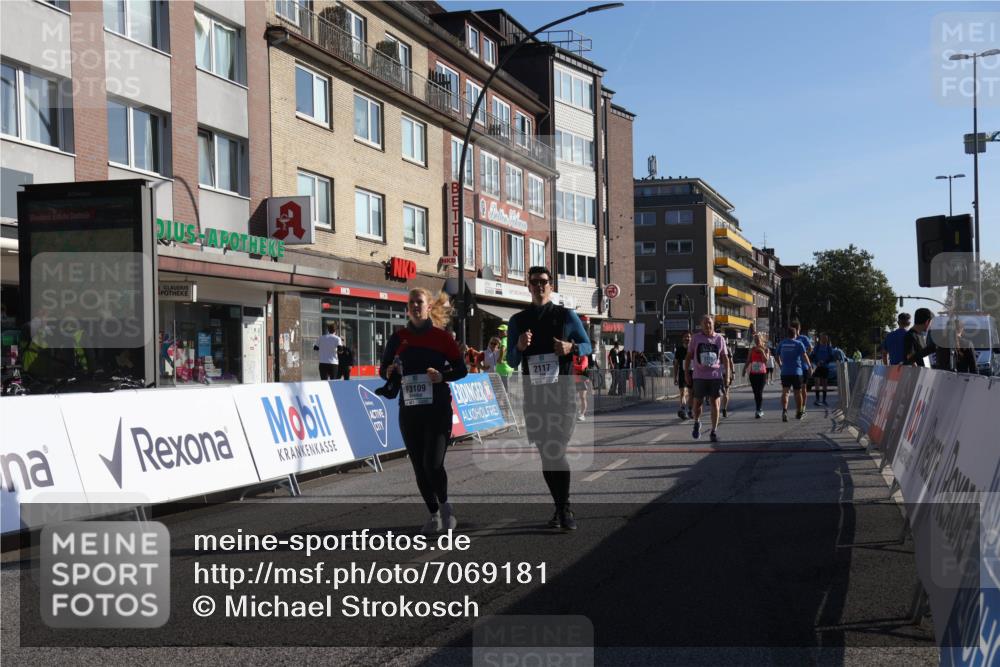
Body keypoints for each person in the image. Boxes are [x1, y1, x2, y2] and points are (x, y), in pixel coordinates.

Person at [506, 266, 592, 531]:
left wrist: (572, 347)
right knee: (546, 455)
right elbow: (510, 360)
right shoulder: (518, 321)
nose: (539, 286)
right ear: (528, 286)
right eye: (534, 282)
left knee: (556, 449)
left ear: (551, 286)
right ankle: (559, 507)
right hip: (535, 396)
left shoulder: (566, 316)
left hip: (562, 395)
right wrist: (519, 347)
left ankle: (564, 508)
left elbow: (587, 344)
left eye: (544, 282)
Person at [379, 289, 467, 534]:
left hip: (437, 409)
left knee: (433, 464)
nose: (415, 306)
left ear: (429, 307)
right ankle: (433, 514)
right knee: (419, 466)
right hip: (409, 410)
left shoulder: (442, 338)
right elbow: (384, 367)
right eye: (411, 303)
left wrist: (442, 376)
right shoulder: (398, 338)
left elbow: (461, 370)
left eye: (420, 302)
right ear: (407, 308)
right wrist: (388, 372)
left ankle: (446, 508)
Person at [685, 314, 730, 442]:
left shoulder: (719, 339)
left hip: (715, 376)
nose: (707, 325)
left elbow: (725, 358)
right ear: (701, 325)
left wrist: (728, 376)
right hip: (699, 376)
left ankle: (714, 431)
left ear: (713, 324)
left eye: (709, 322)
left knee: (715, 404)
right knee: (697, 403)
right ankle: (697, 421)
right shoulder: (696, 338)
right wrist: (687, 374)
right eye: (705, 323)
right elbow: (688, 357)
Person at [776, 325, 812, 421]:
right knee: (797, 393)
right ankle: (799, 412)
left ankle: (784, 411)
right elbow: (805, 356)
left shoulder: (782, 343)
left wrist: (780, 365)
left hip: (785, 372)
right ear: (795, 334)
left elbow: (776, 355)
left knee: (785, 392)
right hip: (797, 372)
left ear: (787, 334)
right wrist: (809, 367)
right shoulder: (799, 344)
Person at [742, 333, 771, 418]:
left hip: (762, 373)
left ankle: (759, 409)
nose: (756, 341)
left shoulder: (766, 349)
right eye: (755, 340)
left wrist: (762, 352)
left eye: (758, 339)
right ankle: (758, 408)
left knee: (759, 392)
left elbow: (766, 361)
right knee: (755, 392)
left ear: (762, 340)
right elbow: (748, 360)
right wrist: (744, 370)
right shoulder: (752, 349)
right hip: (753, 373)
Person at [673, 332, 693, 419]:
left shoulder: (693, 349)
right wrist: (675, 377)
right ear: (682, 339)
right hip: (682, 373)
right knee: (682, 393)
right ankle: (682, 409)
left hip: (692, 373)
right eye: (685, 337)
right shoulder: (679, 350)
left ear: (691, 338)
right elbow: (676, 364)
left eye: (689, 337)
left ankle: (690, 410)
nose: (687, 338)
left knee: (691, 393)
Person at [811, 333, 835, 406]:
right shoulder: (817, 347)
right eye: (823, 338)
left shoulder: (828, 347)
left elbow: (831, 357)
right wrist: (816, 362)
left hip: (825, 367)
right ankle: (817, 399)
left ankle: (824, 400)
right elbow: (812, 356)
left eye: (826, 338)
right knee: (817, 383)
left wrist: (824, 361)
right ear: (821, 339)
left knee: (824, 384)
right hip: (818, 367)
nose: (825, 339)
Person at [494, 325, 514, 390]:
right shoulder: (511, 340)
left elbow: (503, 348)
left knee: (502, 390)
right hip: (508, 368)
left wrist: (500, 358)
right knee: (507, 389)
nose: (500, 332)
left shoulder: (504, 339)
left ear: (507, 332)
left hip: (503, 369)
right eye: (499, 331)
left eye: (502, 331)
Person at [572, 351, 590, 422]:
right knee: (574, 398)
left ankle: (582, 414)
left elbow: (582, 367)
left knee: (582, 397)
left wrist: (573, 366)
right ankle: (577, 412)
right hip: (573, 380)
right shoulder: (573, 356)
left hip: (582, 380)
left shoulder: (584, 357)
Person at [719, 348, 735, 418]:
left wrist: (733, 372)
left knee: (725, 391)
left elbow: (731, 361)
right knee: (725, 392)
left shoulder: (727, 349)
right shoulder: (715, 347)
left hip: (725, 372)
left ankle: (724, 408)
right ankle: (723, 408)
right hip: (717, 372)